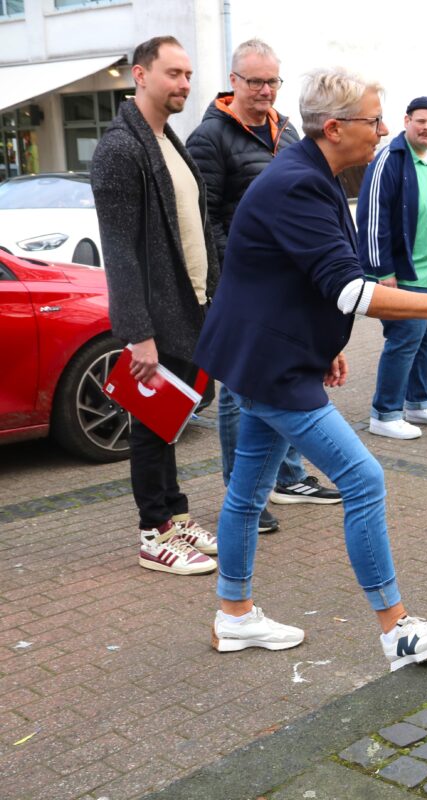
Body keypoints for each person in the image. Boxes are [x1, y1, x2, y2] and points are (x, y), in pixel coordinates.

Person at [193, 68, 427, 666]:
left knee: (247, 493)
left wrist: (325, 343)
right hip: (271, 367)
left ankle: (234, 616)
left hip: (264, 356)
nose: (383, 130)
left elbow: (298, 273)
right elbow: (351, 290)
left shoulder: (315, 173)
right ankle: (396, 629)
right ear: (335, 128)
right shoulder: (300, 183)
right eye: (374, 120)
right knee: (363, 480)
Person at [186, 38, 339, 531]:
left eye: (273, 81)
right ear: (233, 83)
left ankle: (288, 476)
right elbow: (201, 217)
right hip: (240, 289)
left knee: (283, 378)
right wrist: (232, 274)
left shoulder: (288, 133)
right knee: (237, 391)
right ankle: (243, 489)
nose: (266, 90)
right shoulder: (210, 138)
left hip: (284, 290)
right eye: (255, 81)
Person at [89, 36, 219, 576]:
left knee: (171, 419)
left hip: (188, 307)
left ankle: (173, 516)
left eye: (188, 74)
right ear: (140, 75)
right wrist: (136, 331)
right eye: (173, 73)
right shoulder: (121, 148)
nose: (184, 83)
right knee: (150, 422)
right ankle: (152, 533)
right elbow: (118, 248)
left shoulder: (169, 140)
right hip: (155, 317)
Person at [357, 96, 427, 439]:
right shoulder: (389, 161)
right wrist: (381, 271)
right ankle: (385, 412)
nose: (426, 127)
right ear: (406, 120)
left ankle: (419, 403)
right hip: (405, 275)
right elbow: (372, 217)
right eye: (420, 120)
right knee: (404, 339)